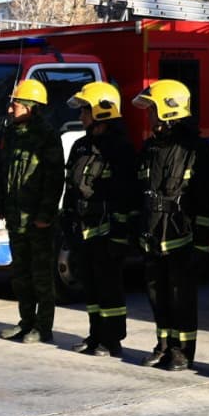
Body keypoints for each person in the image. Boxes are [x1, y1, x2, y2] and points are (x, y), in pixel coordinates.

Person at [132, 79, 209, 371]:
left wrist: (202, 243)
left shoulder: (196, 150)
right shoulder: (150, 148)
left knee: (182, 298)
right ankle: (164, 345)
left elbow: (205, 200)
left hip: (182, 238)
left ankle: (182, 352)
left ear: (168, 111)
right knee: (158, 296)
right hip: (152, 235)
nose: (149, 116)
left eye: (152, 110)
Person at [58, 82, 129, 356]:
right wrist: (66, 217)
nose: (81, 116)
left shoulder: (119, 149)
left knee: (109, 287)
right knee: (90, 286)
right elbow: (70, 185)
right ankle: (95, 334)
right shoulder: (80, 146)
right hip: (82, 229)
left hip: (106, 230)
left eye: (85, 110)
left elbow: (125, 194)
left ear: (102, 111)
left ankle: (112, 340)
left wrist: (120, 233)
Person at [0, 79, 64, 344]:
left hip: (37, 221)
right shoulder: (11, 134)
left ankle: (42, 327)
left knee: (41, 276)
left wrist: (45, 215)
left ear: (30, 107)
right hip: (15, 218)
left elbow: (54, 179)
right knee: (20, 275)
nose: (11, 109)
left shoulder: (47, 136)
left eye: (15, 104)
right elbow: (3, 172)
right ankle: (26, 322)